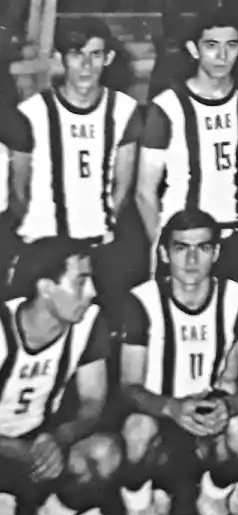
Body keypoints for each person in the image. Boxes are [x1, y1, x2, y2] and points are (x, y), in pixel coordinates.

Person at [118, 208, 238, 515]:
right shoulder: (140, 301)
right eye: (180, 248)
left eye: (202, 248)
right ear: (163, 253)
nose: (190, 259)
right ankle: (141, 508)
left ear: (216, 253)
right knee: (136, 428)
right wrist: (171, 407)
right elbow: (129, 386)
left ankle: (214, 499)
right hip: (160, 411)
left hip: (208, 412)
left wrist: (229, 406)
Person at [0, 237, 121, 515]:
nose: (92, 291)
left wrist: (59, 438)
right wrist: (18, 451)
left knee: (103, 453)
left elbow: (93, 402)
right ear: (46, 287)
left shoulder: (90, 322)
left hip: (37, 441)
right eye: (81, 281)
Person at [4, 18, 142, 307]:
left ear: (108, 58)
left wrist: (103, 223)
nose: (86, 66)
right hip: (42, 244)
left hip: (98, 244)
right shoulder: (31, 112)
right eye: (77, 55)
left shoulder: (125, 110)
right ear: (60, 58)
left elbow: (124, 183)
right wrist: (40, 225)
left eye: (95, 55)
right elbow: (18, 186)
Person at [136, 7, 238, 296]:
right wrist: (166, 242)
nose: (222, 56)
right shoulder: (167, 106)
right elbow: (145, 190)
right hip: (185, 240)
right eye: (211, 45)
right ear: (193, 49)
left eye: (231, 45)